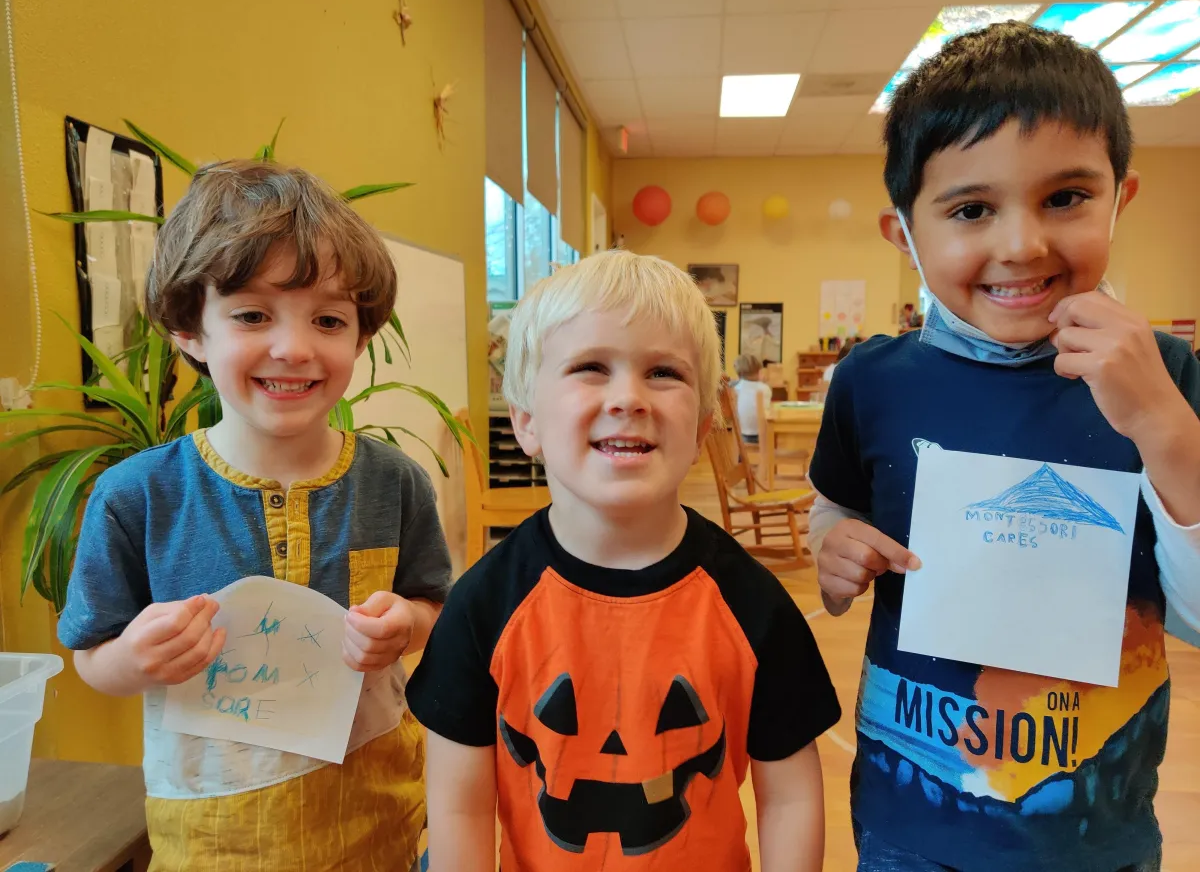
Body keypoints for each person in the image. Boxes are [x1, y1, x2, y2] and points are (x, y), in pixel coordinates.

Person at [808, 22, 1200, 872]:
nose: (1021, 243)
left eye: (1066, 197)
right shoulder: (872, 381)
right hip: (912, 820)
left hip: (1096, 833)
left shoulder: (1164, 376)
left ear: (1119, 199)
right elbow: (837, 507)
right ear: (904, 233)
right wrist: (830, 546)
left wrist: (1165, 427)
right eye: (971, 209)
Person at [57, 160, 452, 872]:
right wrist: (134, 658)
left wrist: (407, 625)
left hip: (377, 819)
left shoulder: (395, 482)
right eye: (251, 315)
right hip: (217, 835)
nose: (294, 348)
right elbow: (93, 658)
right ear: (189, 331)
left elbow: (434, 605)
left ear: (360, 338)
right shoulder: (136, 496)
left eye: (328, 319)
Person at [408, 250, 841, 871]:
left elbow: (791, 798)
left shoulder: (752, 605)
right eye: (590, 367)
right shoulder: (483, 607)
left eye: (664, 373)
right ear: (527, 421)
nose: (628, 397)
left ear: (701, 426)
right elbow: (459, 809)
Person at [732, 352, 772, 443]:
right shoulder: (765, 389)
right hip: (762, 435)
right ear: (759, 370)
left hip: (741, 435)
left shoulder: (736, 388)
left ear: (738, 372)